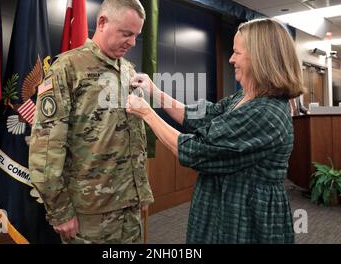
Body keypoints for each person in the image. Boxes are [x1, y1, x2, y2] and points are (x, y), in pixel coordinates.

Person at [126, 18, 305, 243]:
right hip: (222, 207)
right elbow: (202, 116)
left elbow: (197, 151)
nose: (231, 59)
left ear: (260, 58)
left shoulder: (266, 112)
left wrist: (147, 114)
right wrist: (154, 92)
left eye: (237, 53)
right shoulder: (246, 96)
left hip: (246, 217)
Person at [29, 0, 154, 244]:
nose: (131, 43)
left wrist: (141, 193)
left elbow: (133, 135)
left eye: (136, 36)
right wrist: (60, 211)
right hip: (90, 213)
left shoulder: (128, 70)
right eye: (126, 33)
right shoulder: (67, 68)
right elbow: (46, 148)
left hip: (129, 205)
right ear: (102, 22)